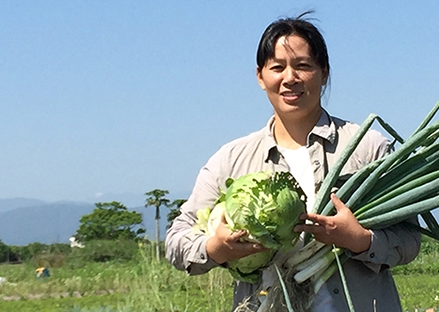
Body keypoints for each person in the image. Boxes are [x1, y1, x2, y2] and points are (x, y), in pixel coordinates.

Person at [166, 12, 421, 312]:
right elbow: (176, 241)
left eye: (303, 66)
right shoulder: (231, 160)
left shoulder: (367, 147)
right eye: (277, 67)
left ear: (324, 73)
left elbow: (409, 239)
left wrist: (360, 240)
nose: (290, 78)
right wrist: (216, 248)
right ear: (260, 76)